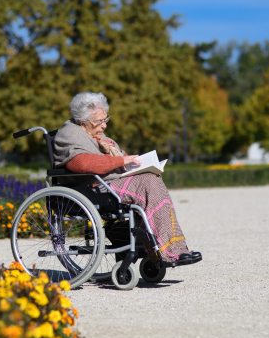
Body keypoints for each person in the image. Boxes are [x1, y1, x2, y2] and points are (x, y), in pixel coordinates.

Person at [53, 91, 201, 266]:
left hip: (109, 184)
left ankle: (166, 250)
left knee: (151, 177)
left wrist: (140, 163)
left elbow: (123, 157)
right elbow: (81, 164)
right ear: (82, 122)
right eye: (99, 122)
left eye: (105, 120)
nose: (104, 126)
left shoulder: (100, 137)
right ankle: (168, 252)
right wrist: (120, 160)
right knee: (148, 183)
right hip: (92, 188)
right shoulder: (69, 134)